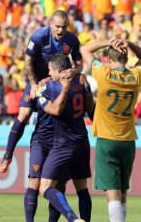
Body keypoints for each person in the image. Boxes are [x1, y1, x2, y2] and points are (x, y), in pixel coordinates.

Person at [0, 10, 83, 173]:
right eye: (57, 26)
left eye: (64, 27)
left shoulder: (72, 39)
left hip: (56, 83)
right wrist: (34, 84)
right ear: (50, 24)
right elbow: (28, 61)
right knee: (23, 115)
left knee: (59, 117)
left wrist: (74, 71)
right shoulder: (39, 36)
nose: (60, 30)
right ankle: (8, 155)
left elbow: (80, 64)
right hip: (36, 80)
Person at [80, 39, 141, 222]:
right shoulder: (135, 75)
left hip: (107, 139)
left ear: (108, 60)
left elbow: (84, 49)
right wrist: (130, 43)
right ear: (126, 60)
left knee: (112, 193)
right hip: (128, 140)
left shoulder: (103, 73)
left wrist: (109, 41)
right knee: (123, 191)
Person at [25, 70, 93, 222]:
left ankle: (73, 219)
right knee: (82, 189)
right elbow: (91, 110)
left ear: (58, 71)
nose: (48, 72)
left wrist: (37, 85)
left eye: (50, 69)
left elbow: (55, 110)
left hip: (63, 143)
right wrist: (83, 81)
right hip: (82, 140)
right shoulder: (80, 80)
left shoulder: (52, 88)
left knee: (45, 187)